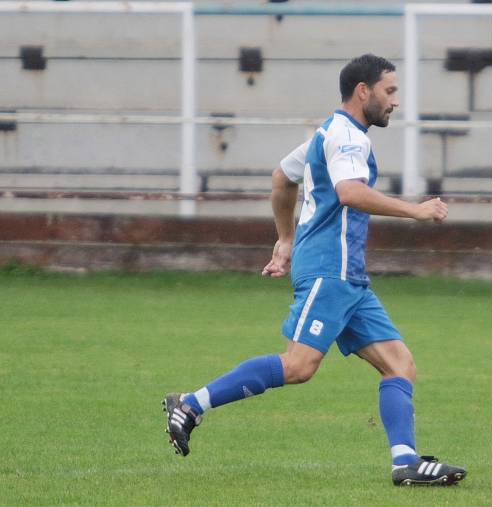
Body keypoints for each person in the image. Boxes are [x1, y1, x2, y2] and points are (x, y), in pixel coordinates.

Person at [163, 54, 467, 486]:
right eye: (390, 91)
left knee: (399, 363)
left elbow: (282, 178)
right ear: (364, 91)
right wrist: (414, 211)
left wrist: (286, 240)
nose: (395, 101)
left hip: (348, 276)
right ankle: (190, 404)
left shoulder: (329, 132)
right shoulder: (347, 137)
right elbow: (349, 192)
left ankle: (406, 463)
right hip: (330, 270)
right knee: (299, 365)